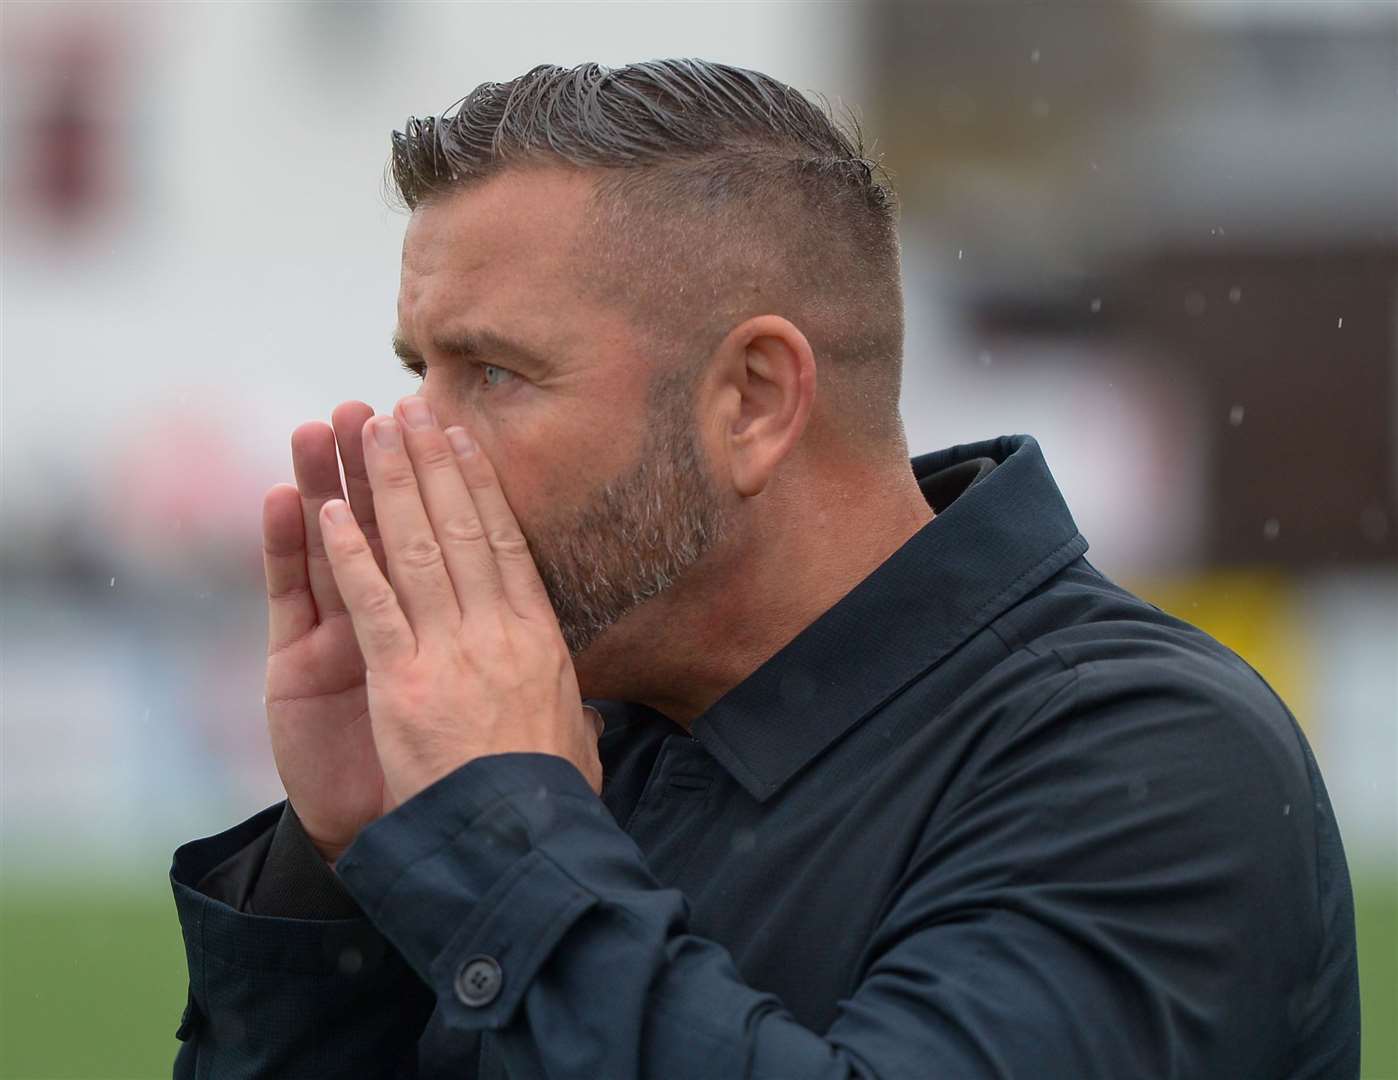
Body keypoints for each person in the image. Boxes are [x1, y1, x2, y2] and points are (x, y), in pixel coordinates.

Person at [168, 59, 1359, 1079]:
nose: (407, 445)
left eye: (491, 374)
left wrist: (510, 833)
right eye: (417, 370)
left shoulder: (1145, 759)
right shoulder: (582, 733)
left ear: (751, 400)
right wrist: (340, 876)